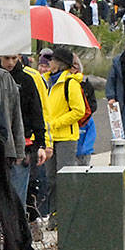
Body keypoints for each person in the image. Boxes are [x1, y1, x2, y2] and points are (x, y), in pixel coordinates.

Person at [0, 54, 47, 207]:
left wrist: (40, 144)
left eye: (13, 58)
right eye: (7, 58)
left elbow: (37, 112)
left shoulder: (27, 80)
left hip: (22, 141)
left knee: (18, 195)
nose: (10, 63)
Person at [42, 46, 87, 218]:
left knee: (65, 179)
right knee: (51, 179)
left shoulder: (70, 83)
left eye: (52, 60)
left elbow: (79, 110)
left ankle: (68, 216)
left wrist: (55, 123)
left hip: (66, 137)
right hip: (49, 137)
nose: (49, 63)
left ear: (60, 64)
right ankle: (55, 215)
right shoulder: (45, 81)